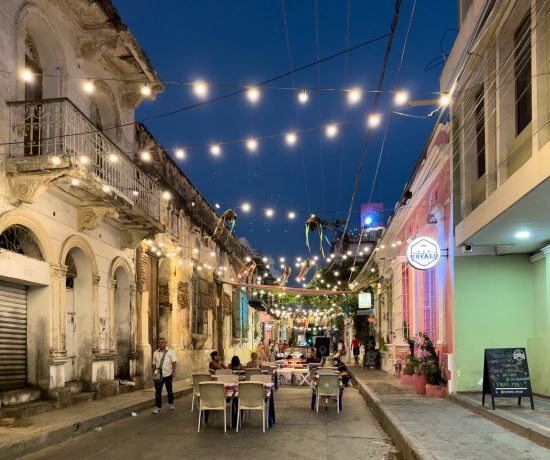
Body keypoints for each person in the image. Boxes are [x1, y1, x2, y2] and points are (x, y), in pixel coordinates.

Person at [152, 337, 177, 414]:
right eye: (159, 342)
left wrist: (173, 371)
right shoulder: (155, 352)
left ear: (165, 343)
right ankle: (158, 407)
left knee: (169, 390)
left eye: (163, 342)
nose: (161, 344)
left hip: (168, 374)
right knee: (158, 391)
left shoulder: (170, 352)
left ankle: (171, 403)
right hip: (159, 375)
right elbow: (153, 363)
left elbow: (174, 362)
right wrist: (154, 372)